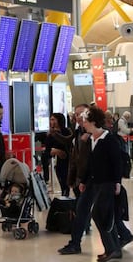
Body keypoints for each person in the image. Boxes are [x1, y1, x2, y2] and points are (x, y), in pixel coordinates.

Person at [80, 106, 123, 261]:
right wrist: (84, 180)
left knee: (100, 215)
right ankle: (114, 248)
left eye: (85, 121)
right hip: (96, 182)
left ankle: (112, 248)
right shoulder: (92, 139)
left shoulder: (109, 139)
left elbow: (116, 162)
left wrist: (117, 182)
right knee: (102, 215)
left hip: (108, 183)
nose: (83, 123)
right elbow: (90, 163)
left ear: (92, 122)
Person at [58, 103, 93, 255]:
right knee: (84, 211)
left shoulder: (94, 133)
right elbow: (74, 154)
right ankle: (123, 236)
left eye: (81, 114)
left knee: (84, 210)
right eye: (76, 114)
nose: (78, 117)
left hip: (91, 179)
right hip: (80, 178)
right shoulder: (78, 131)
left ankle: (75, 243)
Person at [44, 113, 73, 197]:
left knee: (67, 183)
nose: (51, 122)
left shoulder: (67, 132)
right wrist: (54, 152)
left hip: (68, 161)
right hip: (58, 162)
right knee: (62, 183)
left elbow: (68, 144)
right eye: (50, 119)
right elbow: (47, 150)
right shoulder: (50, 134)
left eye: (53, 119)